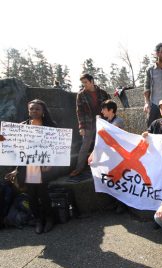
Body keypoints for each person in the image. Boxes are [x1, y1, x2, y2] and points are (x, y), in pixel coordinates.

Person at [1, 99, 57, 234]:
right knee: (31, 196)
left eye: (37, 109)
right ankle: (38, 220)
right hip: (28, 168)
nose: (34, 111)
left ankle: (49, 219)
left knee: (44, 196)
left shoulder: (50, 126)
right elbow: (18, 149)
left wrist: (50, 164)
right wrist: (16, 169)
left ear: (43, 111)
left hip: (44, 168)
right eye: (31, 109)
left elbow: (57, 148)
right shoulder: (22, 127)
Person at [70, 74, 110, 177]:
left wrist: (109, 120)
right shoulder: (81, 95)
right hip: (88, 124)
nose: (84, 85)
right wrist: (81, 127)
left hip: (102, 123)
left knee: (103, 144)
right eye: (82, 83)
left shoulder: (103, 93)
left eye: (85, 82)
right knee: (85, 146)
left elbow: (110, 106)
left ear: (92, 81)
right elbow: (79, 112)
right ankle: (79, 168)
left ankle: (104, 167)